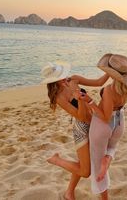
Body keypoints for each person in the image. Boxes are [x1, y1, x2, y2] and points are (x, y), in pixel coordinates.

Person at [41, 61, 109, 200]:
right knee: (85, 171)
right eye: (59, 76)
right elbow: (81, 116)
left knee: (83, 164)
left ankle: (69, 193)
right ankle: (57, 160)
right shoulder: (59, 97)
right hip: (82, 130)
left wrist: (111, 71)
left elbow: (98, 82)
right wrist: (80, 100)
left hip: (95, 123)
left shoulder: (74, 79)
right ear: (53, 81)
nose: (64, 77)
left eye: (62, 74)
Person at [80, 53, 127, 200]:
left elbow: (104, 116)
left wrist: (89, 101)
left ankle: (104, 198)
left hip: (102, 125)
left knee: (97, 165)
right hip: (119, 122)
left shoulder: (109, 91)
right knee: (112, 147)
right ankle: (108, 159)